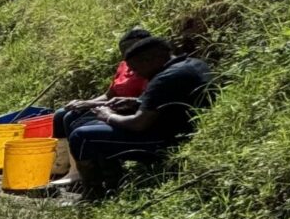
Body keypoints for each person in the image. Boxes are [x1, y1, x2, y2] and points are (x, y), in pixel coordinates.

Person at [60, 34, 214, 193]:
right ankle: (112, 181)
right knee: (82, 122)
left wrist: (108, 116)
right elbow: (167, 100)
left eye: (136, 69)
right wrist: (136, 101)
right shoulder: (193, 64)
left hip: (166, 141)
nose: (138, 75)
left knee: (81, 136)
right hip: (184, 128)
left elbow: (138, 124)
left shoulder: (164, 79)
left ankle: (94, 193)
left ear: (150, 59)